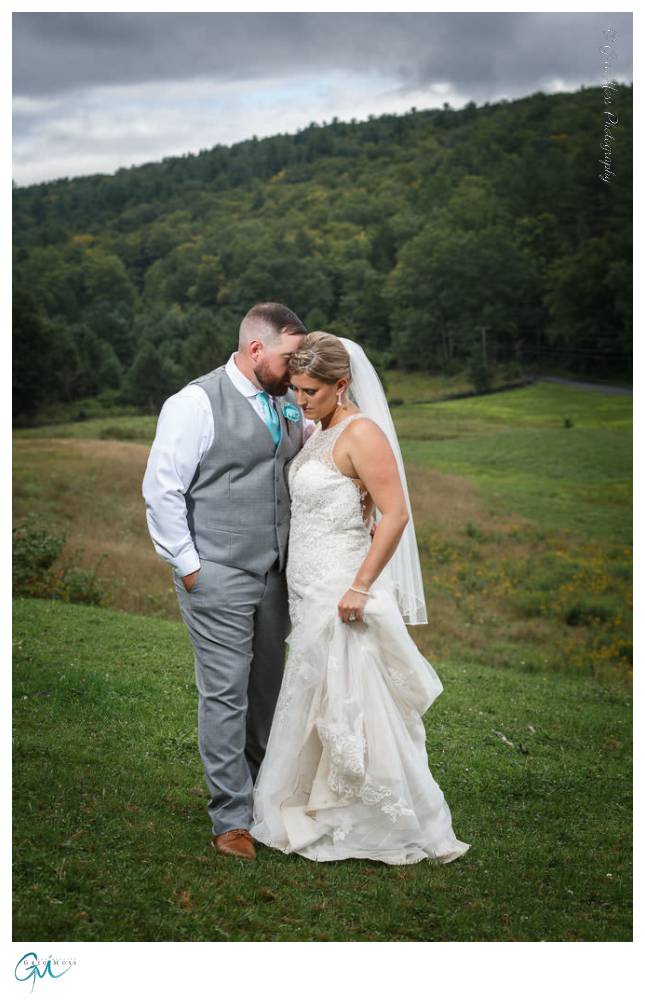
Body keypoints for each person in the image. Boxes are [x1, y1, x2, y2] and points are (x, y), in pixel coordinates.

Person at [251, 332, 471, 865]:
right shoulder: (320, 431)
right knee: (317, 695)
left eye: (309, 391)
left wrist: (360, 587)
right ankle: (319, 804)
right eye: (296, 390)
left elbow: (394, 514)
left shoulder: (362, 433)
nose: (299, 400)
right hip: (306, 587)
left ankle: (383, 818)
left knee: (358, 699)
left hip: (342, 587)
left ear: (341, 385)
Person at [142, 302, 316, 861]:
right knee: (225, 694)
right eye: (291, 357)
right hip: (216, 572)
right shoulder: (195, 402)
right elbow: (162, 489)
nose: (296, 370)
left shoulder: (288, 404)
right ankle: (231, 819)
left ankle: (262, 797)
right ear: (256, 348)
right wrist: (190, 566)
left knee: (266, 690)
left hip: (276, 574)